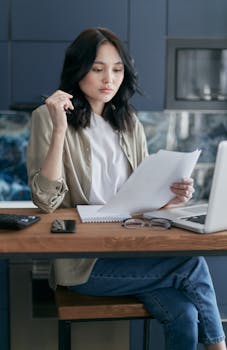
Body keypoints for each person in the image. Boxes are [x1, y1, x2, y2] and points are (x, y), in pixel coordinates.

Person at [26, 27, 226, 350]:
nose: (109, 79)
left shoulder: (129, 122)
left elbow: (140, 197)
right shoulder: (47, 118)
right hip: (86, 265)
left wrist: (170, 197)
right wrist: (60, 130)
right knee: (191, 264)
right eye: (98, 69)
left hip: (135, 252)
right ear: (78, 69)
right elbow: (47, 202)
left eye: (117, 70)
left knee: (185, 314)